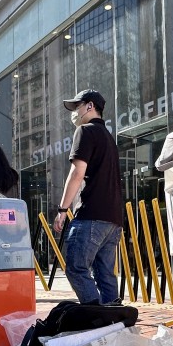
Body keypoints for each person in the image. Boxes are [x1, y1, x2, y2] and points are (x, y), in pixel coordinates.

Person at [53, 90, 123, 305]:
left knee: (76, 268)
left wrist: (62, 210)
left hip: (91, 215)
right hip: (113, 220)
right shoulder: (109, 138)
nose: (75, 112)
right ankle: (115, 324)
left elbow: (77, 174)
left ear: (90, 106)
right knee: (105, 275)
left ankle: (97, 316)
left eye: (77, 106)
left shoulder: (85, 131)